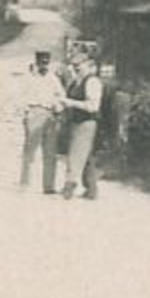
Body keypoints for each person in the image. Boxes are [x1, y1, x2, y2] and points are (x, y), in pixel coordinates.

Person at [57, 50, 104, 200]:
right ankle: (91, 189)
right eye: (74, 65)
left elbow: (93, 106)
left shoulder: (92, 82)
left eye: (79, 65)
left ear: (88, 65)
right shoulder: (76, 81)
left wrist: (71, 103)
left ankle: (69, 187)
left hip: (87, 122)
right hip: (76, 121)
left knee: (75, 154)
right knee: (86, 155)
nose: (76, 67)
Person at [18, 49, 65, 191]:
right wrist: (26, 114)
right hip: (34, 113)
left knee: (50, 151)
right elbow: (20, 97)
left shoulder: (53, 78)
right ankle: (25, 183)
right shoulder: (28, 78)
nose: (43, 65)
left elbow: (61, 95)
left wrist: (58, 108)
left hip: (49, 114)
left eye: (46, 62)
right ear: (36, 62)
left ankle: (49, 186)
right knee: (30, 151)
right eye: (41, 62)